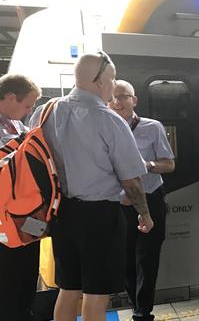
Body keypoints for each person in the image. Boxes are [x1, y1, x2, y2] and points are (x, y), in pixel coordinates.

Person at [30, 52, 153, 321]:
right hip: (100, 218)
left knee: (68, 288)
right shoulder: (109, 120)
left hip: (61, 214)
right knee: (96, 295)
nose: (113, 84)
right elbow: (131, 180)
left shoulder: (45, 111)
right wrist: (144, 213)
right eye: (111, 78)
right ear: (98, 81)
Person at [109, 80, 175, 321]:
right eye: (114, 97)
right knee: (125, 258)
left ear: (134, 100)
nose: (118, 102)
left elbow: (169, 164)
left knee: (147, 259)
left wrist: (147, 165)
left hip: (151, 198)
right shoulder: (106, 128)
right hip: (120, 203)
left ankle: (142, 312)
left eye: (123, 96)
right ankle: (136, 302)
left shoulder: (152, 127)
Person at [0, 73, 41, 321]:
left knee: (27, 275)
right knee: (8, 281)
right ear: (11, 97)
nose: (30, 111)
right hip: (4, 219)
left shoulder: (16, 124)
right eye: (28, 105)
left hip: (25, 213)